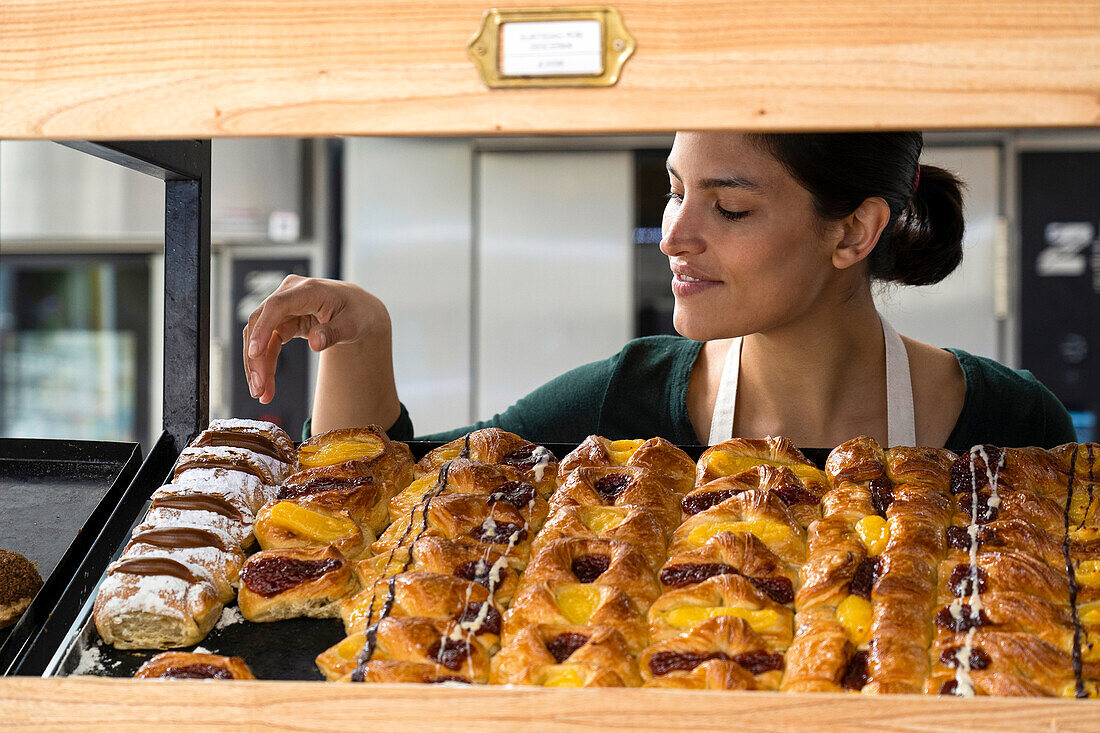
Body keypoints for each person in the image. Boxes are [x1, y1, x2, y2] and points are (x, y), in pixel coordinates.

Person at [242, 131, 1077, 452]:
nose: (675, 232)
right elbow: (387, 493)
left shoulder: (1013, 427)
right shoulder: (621, 404)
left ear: (853, 232)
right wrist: (359, 336)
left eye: (731, 205)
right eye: (676, 189)